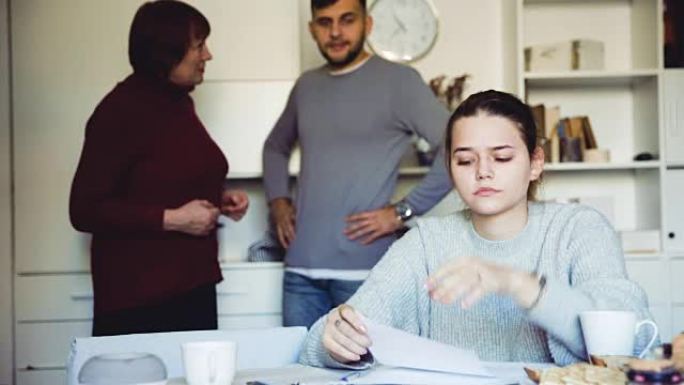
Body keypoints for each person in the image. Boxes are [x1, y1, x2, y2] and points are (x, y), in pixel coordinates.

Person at [298, 90, 655, 367]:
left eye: (501, 157)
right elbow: (320, 343)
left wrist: (518, 283)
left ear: (535, 163)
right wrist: (336, 340)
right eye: (465, 160)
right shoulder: (427, 242)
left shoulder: (578, 229)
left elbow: (632, 338)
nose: (483, 171)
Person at [262, 0, 452, 328]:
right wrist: (278, 202)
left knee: (368, 376)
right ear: (312, 30)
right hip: (300, 274)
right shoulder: (307, 86)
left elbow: (456, 149)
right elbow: (275, 147)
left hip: (365, 275)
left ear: (368, 24)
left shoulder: (400, 81)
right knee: (297, 377)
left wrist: (402, 211)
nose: (335, 32)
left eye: (347, 20)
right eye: (324, 23)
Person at [69, 0, 249, 336]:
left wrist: (218, 199)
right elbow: (84, 209)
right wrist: (174, 219)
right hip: (141, 301)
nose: (207, 55)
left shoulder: (179, 103)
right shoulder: (118, 112)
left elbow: (161, 178)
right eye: (199, 45)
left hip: (192, 286)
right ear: (166, 51)